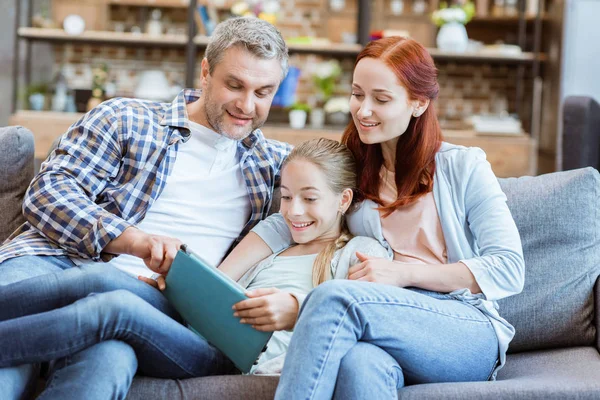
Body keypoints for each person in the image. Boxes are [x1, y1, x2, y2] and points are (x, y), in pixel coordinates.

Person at [0, 17, 292, 400]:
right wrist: (133, 241)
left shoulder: (276, 165)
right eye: (234, 85)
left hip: (150, 308)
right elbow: (48, 194)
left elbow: (361, 185)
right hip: (52, 262)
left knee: (109, 356)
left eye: (263, 92)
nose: (247, 105)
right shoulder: (126, 117)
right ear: (205, 72)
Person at [223, 36, 525, 399]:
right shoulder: (358, 168)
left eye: (381, 99)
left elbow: (509, 267)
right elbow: (301, 207)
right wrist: (221, 275)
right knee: (359, 365)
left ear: (418, 103)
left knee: (333, 298)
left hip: (460, 329)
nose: (363, 110)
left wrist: (405, 273)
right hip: (380, 327)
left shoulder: (463, 166)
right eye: (357, 94)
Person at [0, 139, 388, 379]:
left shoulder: (361, 253)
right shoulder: (278, 232)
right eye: (286, 196)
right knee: (96, 279)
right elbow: (216, 284)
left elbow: (357, 318)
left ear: (344, 200)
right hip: (198, 329)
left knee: (112, 308)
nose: (293, 210)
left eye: (309, 198)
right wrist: (179, 284)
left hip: (235, 358)